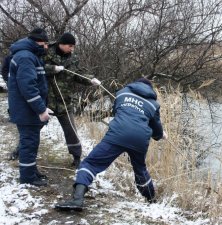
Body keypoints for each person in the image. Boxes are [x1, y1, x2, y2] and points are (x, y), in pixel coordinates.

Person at [55, 78, 167, 211]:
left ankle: (77, 199)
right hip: (140, 140)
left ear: (135, 84)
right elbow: (156, 130)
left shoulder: (122, 93)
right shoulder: (154, 104)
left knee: (90, 164)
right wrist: (161, 135)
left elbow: (116, 111)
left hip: (117, 134)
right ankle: (151, 201)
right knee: (140, 170)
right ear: (150, 89)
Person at [8, 32, 101, 168]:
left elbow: (78, 74)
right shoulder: (44, 52)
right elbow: (34, 67)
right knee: (32, 130)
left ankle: (76, 157)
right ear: (61, 44)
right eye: (70, 46)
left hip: (64, 101)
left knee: (71, 130)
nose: (72, 49)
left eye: (73, 46)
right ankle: (19, 151)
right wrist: (52, 69)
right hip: (46, 101)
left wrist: (90, 80)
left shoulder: (73, 59)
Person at [8, 28, 51, 187]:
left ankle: (31, 171)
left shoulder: (29, 55)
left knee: (32, 142)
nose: (46, 47)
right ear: (36, 42)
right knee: (29, 143)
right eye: (44, 43)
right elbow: (28, 87)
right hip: (27, 110)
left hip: (26, 109)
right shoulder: (26, 57)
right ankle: (27, 177)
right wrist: (41, 109)